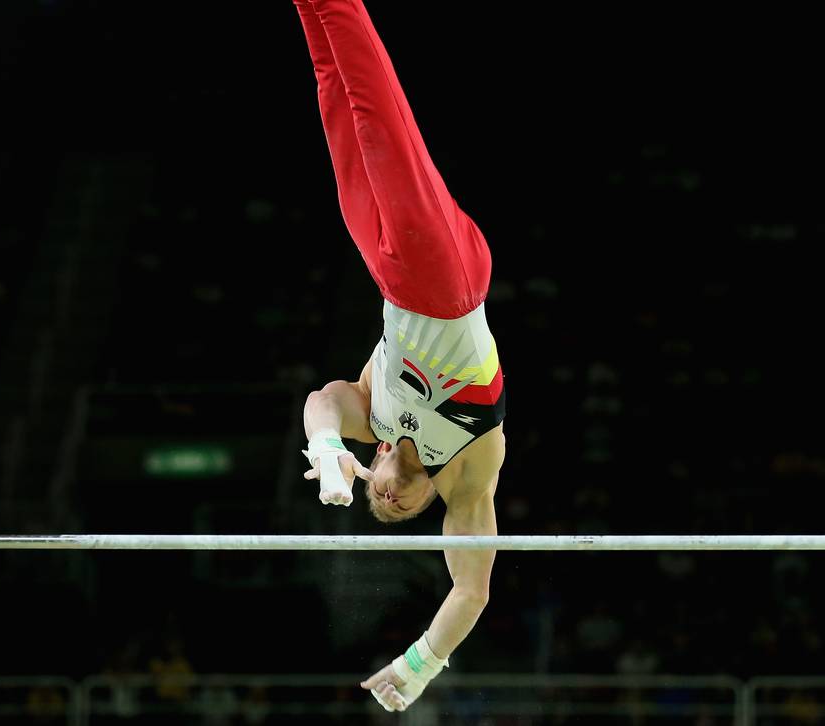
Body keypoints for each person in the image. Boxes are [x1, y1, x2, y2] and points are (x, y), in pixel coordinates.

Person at [293, 0, 507, 713]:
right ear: (428, 499)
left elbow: (322, 399)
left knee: (335, 103)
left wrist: (326, 448)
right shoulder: (470, 470)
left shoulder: (368, 415)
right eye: (402, 507)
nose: (390, 498)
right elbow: (471, 587)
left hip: (390, 273)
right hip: (446, 280)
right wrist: (421, 664)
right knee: (379, 115)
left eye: (380, 501)